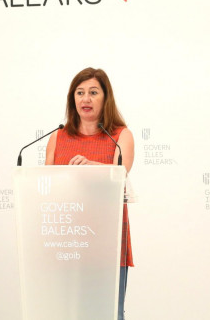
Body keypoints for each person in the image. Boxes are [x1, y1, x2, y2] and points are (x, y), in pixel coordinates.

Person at [45, 67, 134, 320]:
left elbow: (121, 172)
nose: (85, 98)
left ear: (106, 98)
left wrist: (93, 167)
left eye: (93, 92)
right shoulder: (58, 137)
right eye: (80, 92)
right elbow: (46, 187)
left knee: (108, 313)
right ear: (72, 98)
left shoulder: (120, 136)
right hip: (66, 242)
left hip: (107, 242)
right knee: (67, 313)